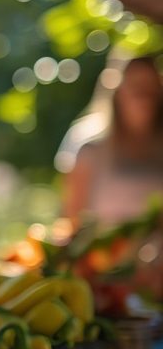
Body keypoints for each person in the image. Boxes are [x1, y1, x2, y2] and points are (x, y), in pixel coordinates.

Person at [64, 55, 163, 226]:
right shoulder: (91, 150)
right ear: (118, 91)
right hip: (108, 250)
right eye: (136, 88)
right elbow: (72, 221)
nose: (144, 97)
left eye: (150, 89)